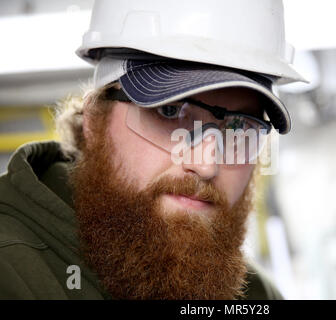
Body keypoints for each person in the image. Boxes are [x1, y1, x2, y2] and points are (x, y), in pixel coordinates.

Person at [0, 0, 305, 299]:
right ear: (94, 121)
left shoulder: (255, 295)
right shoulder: (13, 274)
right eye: (170, 112)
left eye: (238, 128)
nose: (206, 165)